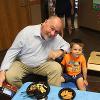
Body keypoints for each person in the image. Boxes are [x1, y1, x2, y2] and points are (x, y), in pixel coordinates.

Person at [0, 16, 70, 88]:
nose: (52, 33)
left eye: (56, 32)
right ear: (45, 22)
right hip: (22, 63)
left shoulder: (55, 37)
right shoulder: (27, 32)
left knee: (57, 68)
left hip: (42, 64)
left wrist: (59, 52)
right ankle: (25, 92)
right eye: (52, 28)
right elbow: (13, 51)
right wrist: (2, 71)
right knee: (10, 76)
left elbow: (67, 45)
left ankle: (52, 93)